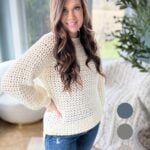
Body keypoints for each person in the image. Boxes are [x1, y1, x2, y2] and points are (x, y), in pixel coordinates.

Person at [1, 0, 105, 149]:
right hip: (62, 134)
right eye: (64, 10)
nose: (71, 16)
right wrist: (45, 101)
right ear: (56, 13)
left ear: (83, 10)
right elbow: (11, 81)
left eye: (76, 8)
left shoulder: (90, 39)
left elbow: (99, 80)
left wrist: (100, 109)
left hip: (92, 125)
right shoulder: (49, 43)